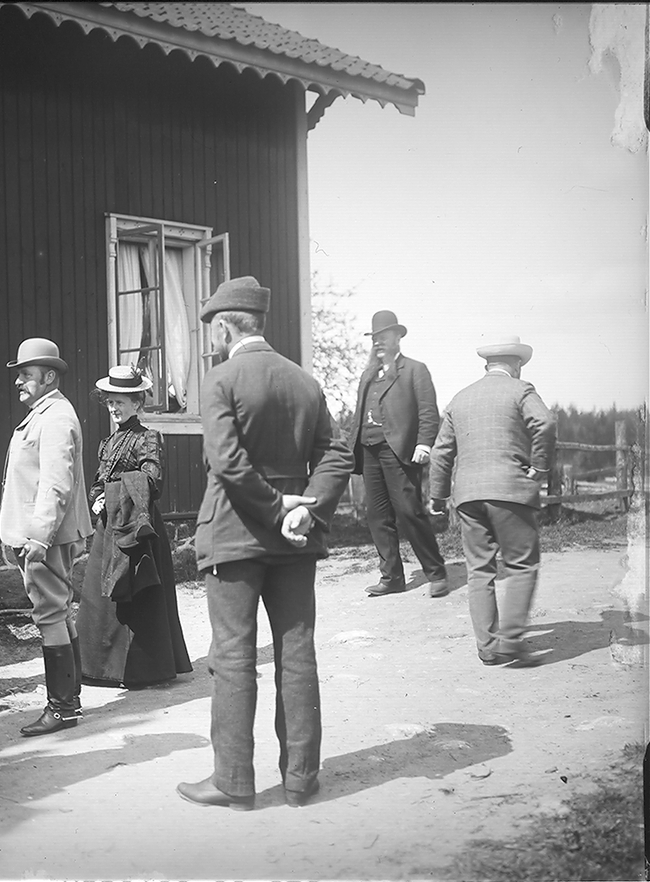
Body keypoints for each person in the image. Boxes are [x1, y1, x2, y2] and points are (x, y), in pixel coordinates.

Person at [176, 277, 352, 811]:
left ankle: (234, 781)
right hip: (295, 541)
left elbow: (228, 464)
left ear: (227, 326)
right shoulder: (305, 382)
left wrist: (275, 511)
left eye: (212, 331)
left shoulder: (221, 379)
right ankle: (302, 778)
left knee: (232, 658)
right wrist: (306, 507)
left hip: (234, 535)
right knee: (298, 653)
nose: (212, 341)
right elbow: (336, 456)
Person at [428, 335, 556, 667]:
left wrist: (438, 496)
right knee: (522, 565)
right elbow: (544, 423)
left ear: (487, 365)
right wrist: (540, 467)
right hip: (511, 491)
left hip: (468, 497)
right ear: (515, 365)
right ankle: (511, 641)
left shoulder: (460, 398)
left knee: (479, 571)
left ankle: (487, 647)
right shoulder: (521, 390)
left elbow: (441, 452)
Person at [0, 337, 94, 736]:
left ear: (49, 375)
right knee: (59, 610)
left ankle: (62, 708)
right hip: (47, 532)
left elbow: (56, 483)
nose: (19, 382)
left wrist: (37, 537)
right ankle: (70, 699)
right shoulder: (44, 413)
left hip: (47, 536)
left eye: (25, 375)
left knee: (50, 613)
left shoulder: (54, 417)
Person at [77, 365, 192, 689]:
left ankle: (143, 670)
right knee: (103, 596)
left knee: (140, 595)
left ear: (137, 404)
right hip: (108, 524)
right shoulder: (109, 441)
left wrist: (115, 494)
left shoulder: (148, 437)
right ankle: (101, 668)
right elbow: (99, 480)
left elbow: (152, 479)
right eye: (111, 403)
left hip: (136, 526)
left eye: (122, 403)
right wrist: (99, 497)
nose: (115, 409)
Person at [350, 310, 448, 597]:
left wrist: (424, 444)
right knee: (377, 515)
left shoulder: (415, 370)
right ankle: (392, 577)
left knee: (409, 511)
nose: (378, 343)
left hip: (399, 450)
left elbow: (428, 411)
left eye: (384, 337)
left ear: (397, 338)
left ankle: (436, 573)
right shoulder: (368, 374)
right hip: (369, 451)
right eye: (375, 338)